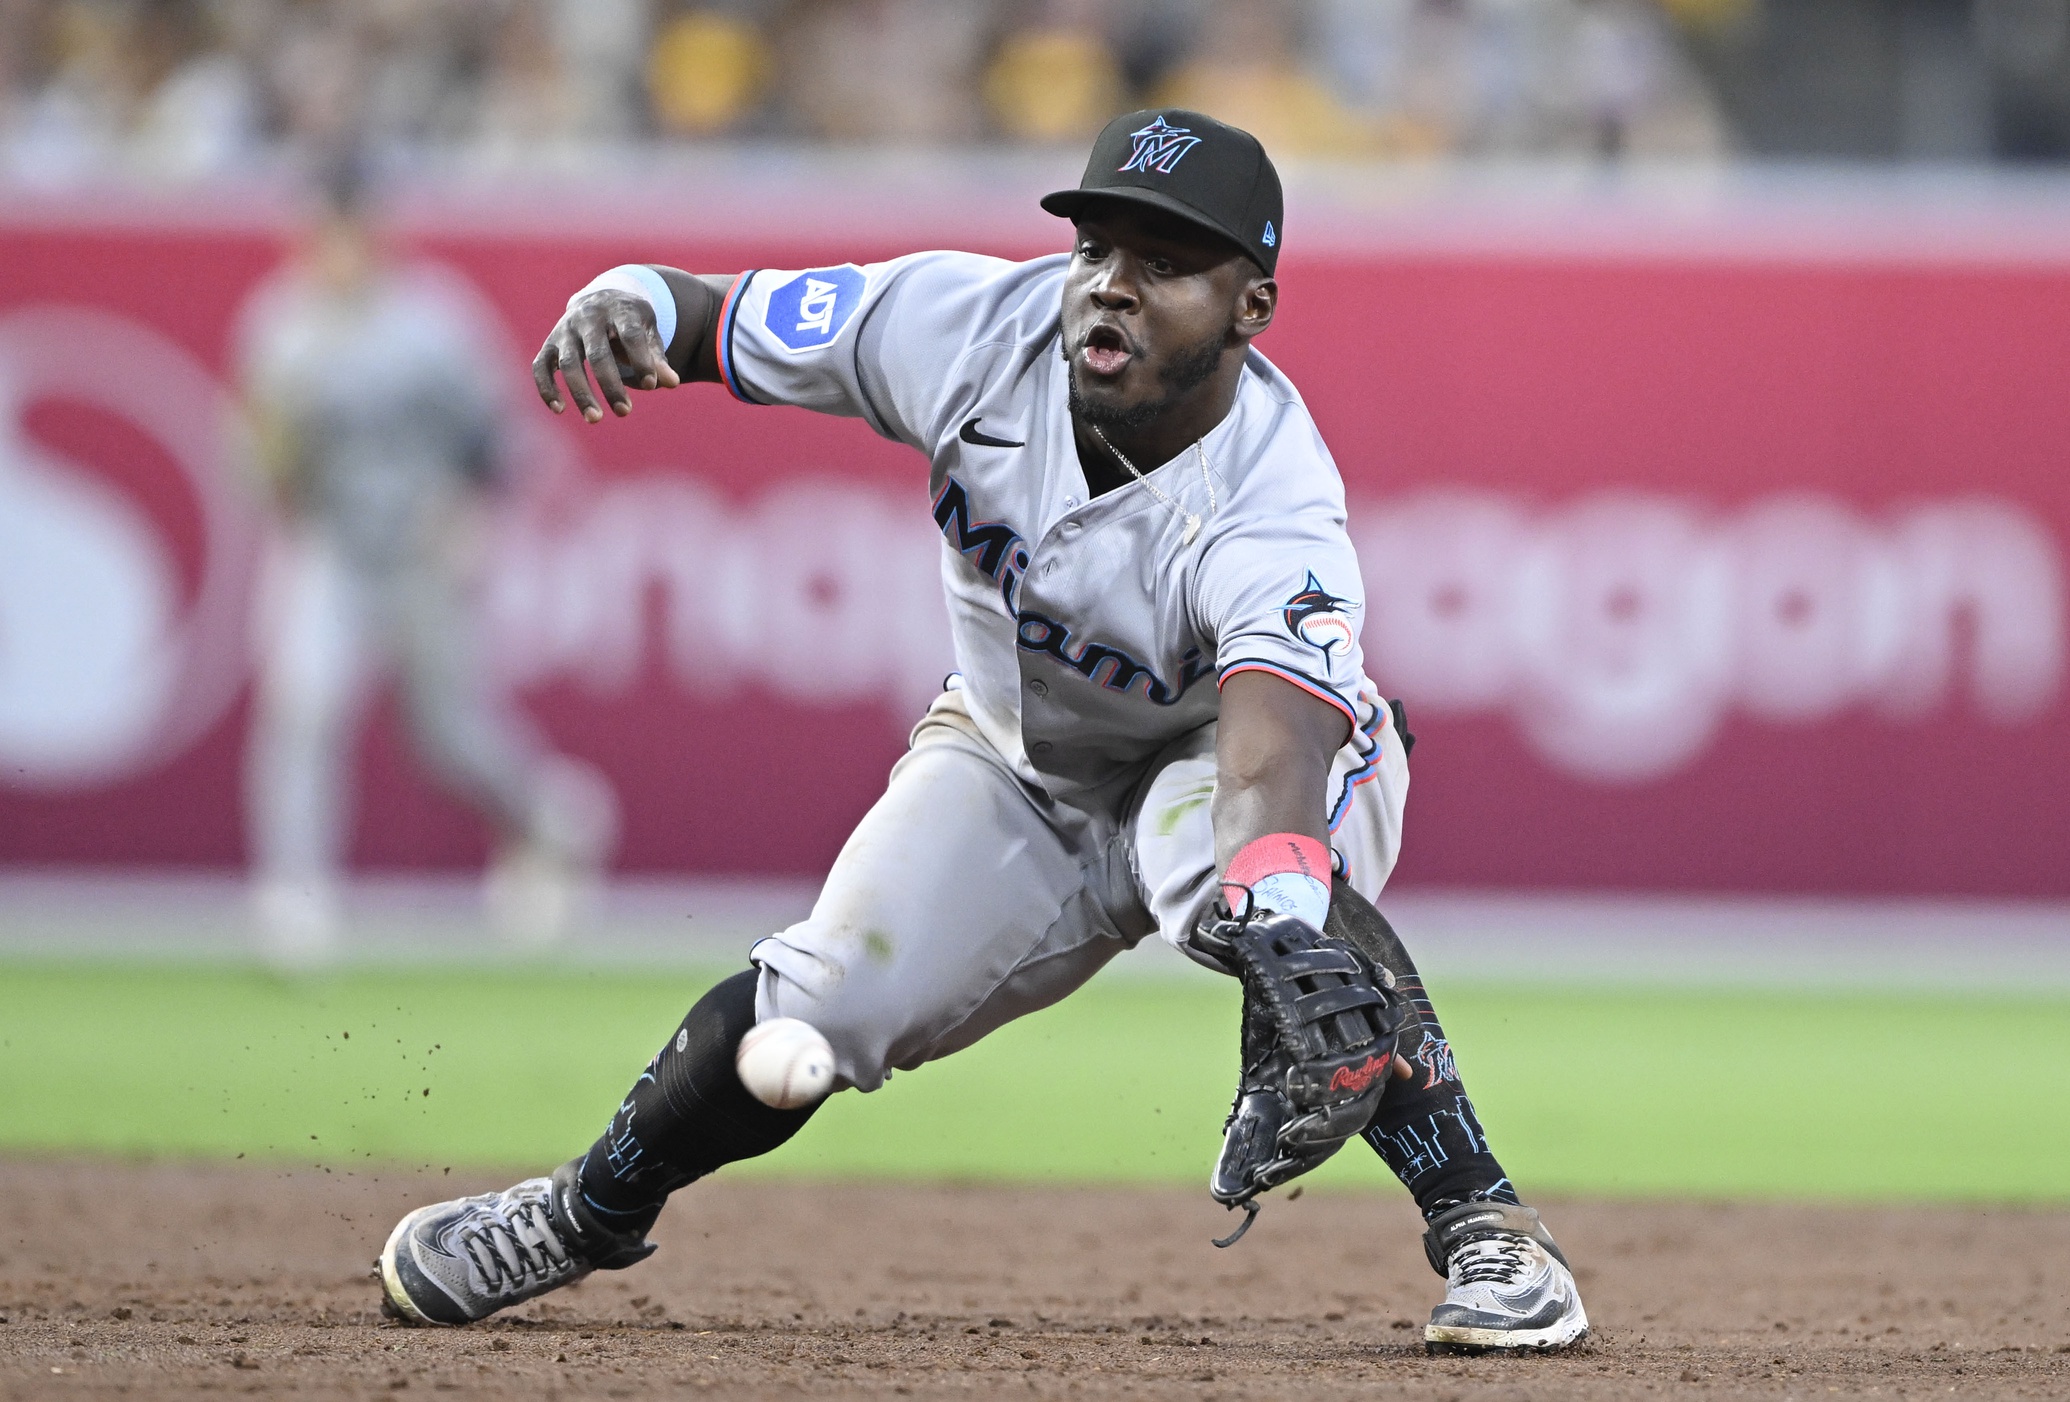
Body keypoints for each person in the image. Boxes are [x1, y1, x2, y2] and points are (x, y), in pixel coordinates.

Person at [375, 110, 1589, 1354]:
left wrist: (1273, 908)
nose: (1114, 285)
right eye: (1097, 247)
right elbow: (704, 316)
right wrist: (623, 295)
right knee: (822, 996)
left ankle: (1490, 1230)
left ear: (1251, 306)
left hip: (1210, 765)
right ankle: (580, 1214)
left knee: (1281, 919)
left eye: (1166, 265)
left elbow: (1269, 763)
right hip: (1012, 760)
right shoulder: (960, 326)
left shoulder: (1275, 505)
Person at [238, 165, 615, 969]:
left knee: (448, 735)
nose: (334, 251)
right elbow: (272, 465)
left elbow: (500, 437)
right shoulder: (280, 326)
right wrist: (266, 464)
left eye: (348, 232)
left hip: (420, 546)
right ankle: (295, 901)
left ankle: (551, 820)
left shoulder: (432, 321)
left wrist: (468, 514)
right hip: (333, 544)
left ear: (374, 234)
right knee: (302, 705)